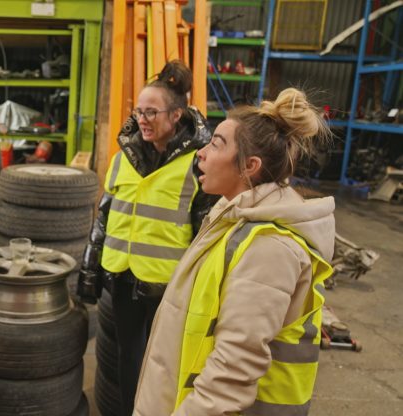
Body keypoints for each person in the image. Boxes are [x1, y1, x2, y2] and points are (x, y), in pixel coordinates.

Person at [133, 88, 335, 416]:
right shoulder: (231, 219)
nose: (201, 153)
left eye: (216, 144)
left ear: (249, 166)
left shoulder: (269, 249)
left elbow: (231, 375)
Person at [77, 60, 216, 415]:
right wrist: (90, 269)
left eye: (152, 112)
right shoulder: (124, 156)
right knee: (128, 357)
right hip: (123, 276)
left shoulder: (198, 163)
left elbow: (207, 234)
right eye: (139, 111)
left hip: (168, 285)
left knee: (164, 363)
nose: (142, 119)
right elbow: (105, 216)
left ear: (176, 115)